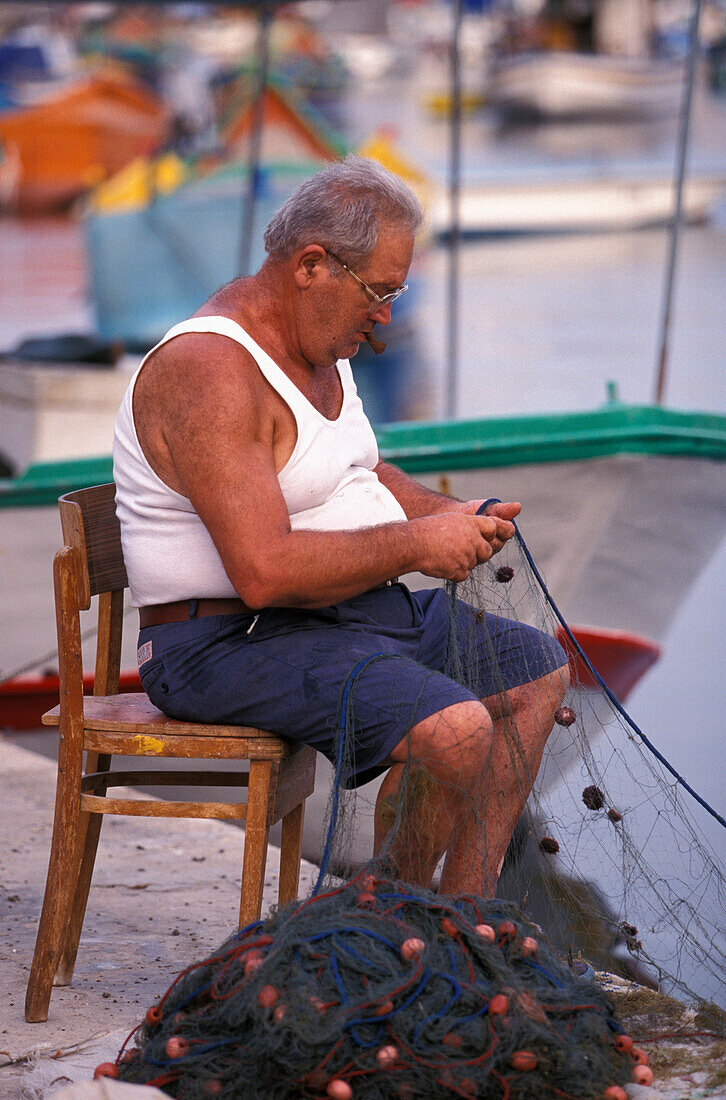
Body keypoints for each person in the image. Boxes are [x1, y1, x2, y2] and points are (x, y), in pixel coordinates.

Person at [114, 157, 569, 898]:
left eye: (398, 290)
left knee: (535, 674)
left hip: (337, 613)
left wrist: (451, 516)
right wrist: (420, 545)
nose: (388, 312)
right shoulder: (211, 370)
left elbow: (362, 473)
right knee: (454, 731)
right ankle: (398, 916)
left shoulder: (321, 343)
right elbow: (263, 572)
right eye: (380, 290)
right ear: (312, 265)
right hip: (226, 640)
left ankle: (467, 912)